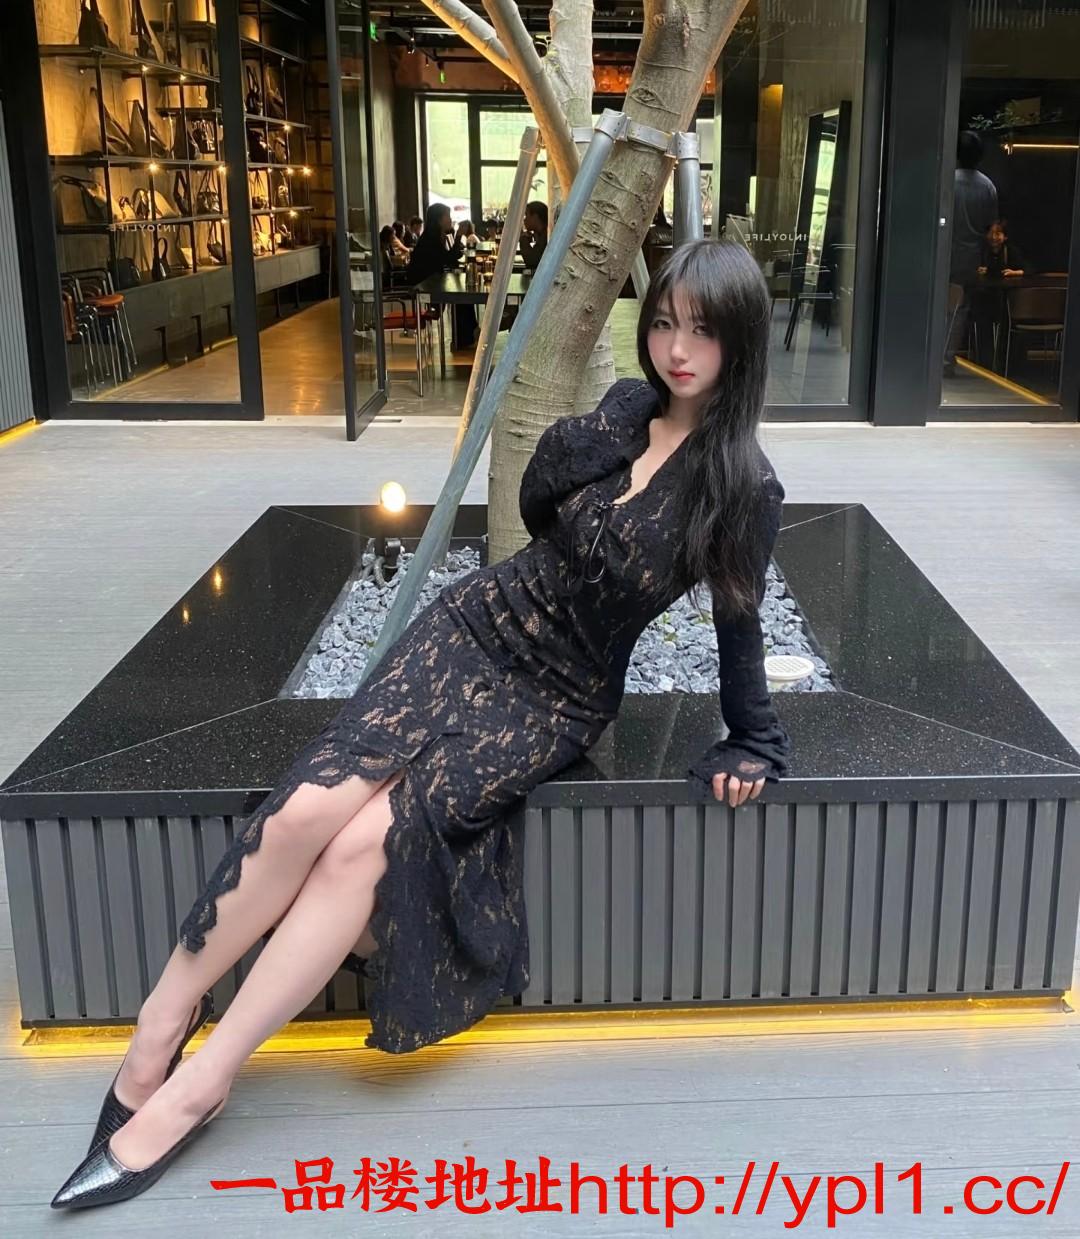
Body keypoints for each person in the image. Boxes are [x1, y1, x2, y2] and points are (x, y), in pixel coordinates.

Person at [50, 239, 792, 1211]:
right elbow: (537, 499)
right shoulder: (623, 411)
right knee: (308, 809)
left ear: (742, 339)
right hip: (475, 626)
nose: (677, 349)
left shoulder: (743, 488)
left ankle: (203, 1081)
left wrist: (751, 740)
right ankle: (162, 1021)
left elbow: (740, 629)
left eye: (701, 330)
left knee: (370, 842)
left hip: (556, 696)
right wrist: (607, 430)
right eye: (663, 323)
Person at [945, 130, 999, 374]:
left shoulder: (947, 181)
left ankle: (932, 355)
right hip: (970, 258)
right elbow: (990, 227)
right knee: (959, 308)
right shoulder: (988, 187)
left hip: (945, 252)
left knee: (939, 305)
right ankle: (947, 357)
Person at [405, 202, 477, 349]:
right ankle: (466, 336)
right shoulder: (431, 238)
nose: (450, 219)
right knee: (461, 296)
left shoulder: (435, 236)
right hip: (425, 285)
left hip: (433, 281)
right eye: (447, 216)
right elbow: (449, 258)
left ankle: (468, 334)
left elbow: (449, 258)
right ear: (438, 219)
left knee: (463, 295)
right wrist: (458, 236)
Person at [519, 199, 548, 272]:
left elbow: (532, 261)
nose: (524, 220)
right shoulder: (542, 234)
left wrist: (523, 239)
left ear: (535, 217)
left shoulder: (546, 237)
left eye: (526, 215)